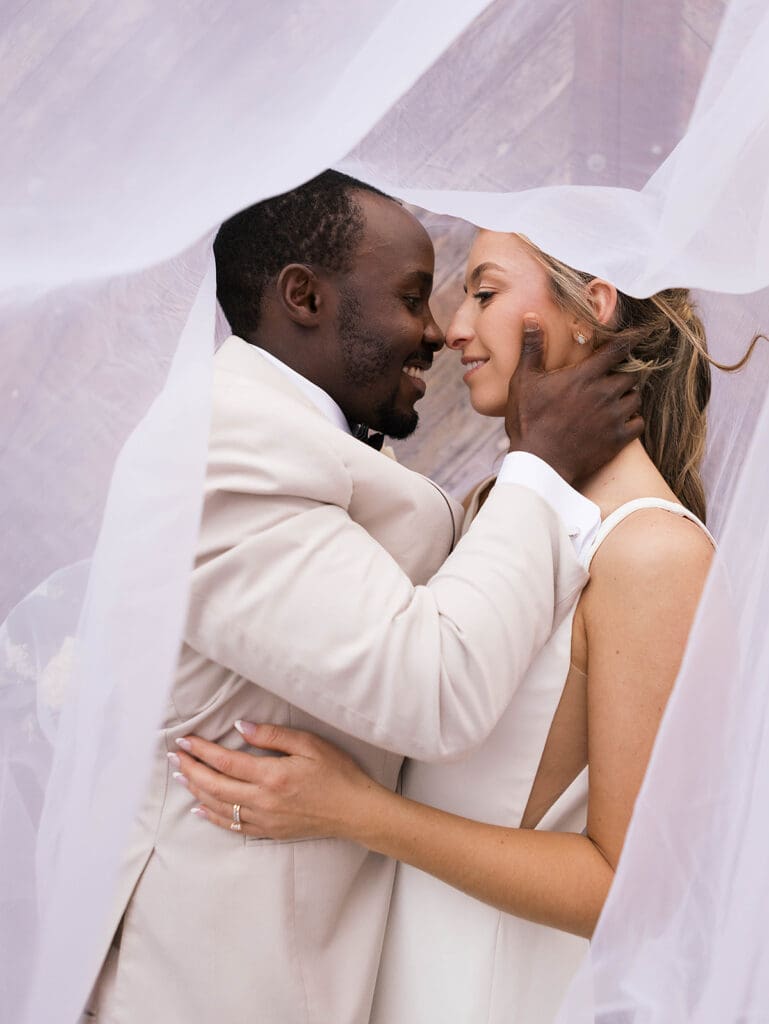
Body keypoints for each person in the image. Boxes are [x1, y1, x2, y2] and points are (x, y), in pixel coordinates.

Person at [86, 174, 640, 1023]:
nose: (436, 331)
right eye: (413, 296)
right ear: (303, 296)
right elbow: (434, 689)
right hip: (213, 983)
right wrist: (541, 462)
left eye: (474, 293)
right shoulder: (221, 444)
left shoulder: (298, 437)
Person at [172, 228, 721, 1022]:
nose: (454, 326)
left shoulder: (654, 554)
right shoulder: (496, 510)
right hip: (397, 977)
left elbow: (629, 889)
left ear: (590, 309)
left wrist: (357, 812)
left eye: (486, 293)